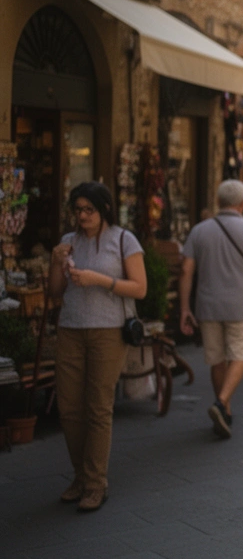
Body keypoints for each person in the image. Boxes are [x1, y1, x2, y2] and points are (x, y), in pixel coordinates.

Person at [46, 182, 148, 512]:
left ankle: (95, 483)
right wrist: (54, 262)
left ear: (103, 209)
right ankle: (79, 476)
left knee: (98, 407)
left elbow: (140, 288)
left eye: (88, 209)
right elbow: (55, 291)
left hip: (108, 332)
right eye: (77, 210)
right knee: (69, 408)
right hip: (71, 328)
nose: (82, 216)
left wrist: (98, 280)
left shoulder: (123, 239)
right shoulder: (67, 242)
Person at [179, 180, 243, 439]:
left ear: (219, 202)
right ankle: (221, 402)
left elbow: (186, 271)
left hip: (207, 304)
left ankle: (224, 408)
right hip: (240, 304)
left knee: (216, 358)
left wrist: (183, 308)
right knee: (239, 355)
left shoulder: (199, 230)